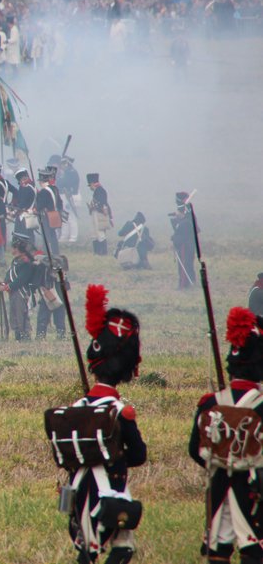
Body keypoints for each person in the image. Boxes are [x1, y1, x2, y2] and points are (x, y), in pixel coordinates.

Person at [68, 285, 146, 564]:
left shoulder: (75, 409)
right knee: (122, 548)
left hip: (77, 492)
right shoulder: (121, 413)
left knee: (86, 551)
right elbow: (138, 456)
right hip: (111, 492)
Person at [191, 308, 263, 564]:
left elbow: (194, 449)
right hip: (254, 489)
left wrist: (220, 464)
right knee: (253, 549)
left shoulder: (211, 402)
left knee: (218, 551)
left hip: (218, 485)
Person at [0, 233, 35, 342]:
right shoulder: (16, 260)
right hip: (14, 292)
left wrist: (7, 286)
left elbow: (21, 280)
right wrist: (4, 283)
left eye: (13, 247)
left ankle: (25, 336)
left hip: (21, 292)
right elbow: (10, 274)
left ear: (17, 248)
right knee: (14, 314)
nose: (11, 249)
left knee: (21, 315)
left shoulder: (26, 262)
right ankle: (18, 336)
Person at [170, 192, 196, 290]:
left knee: (184, 264)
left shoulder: (186, 215)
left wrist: (175, 238)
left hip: (185, 244)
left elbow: (183, 231)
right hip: (187, 242)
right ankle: (190, 281)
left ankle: (183, 284)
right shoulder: (187, 212)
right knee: (188, 263)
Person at [87, 173, 112, 256]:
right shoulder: (98, 190)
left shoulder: (100, 190)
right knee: (95, 233)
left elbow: (102, 203)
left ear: (92, 184)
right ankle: (97, 252)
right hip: (95, 214)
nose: (90, 187)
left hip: (99, 214)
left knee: (100, 233)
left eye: (90, 185)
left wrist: (93, 206)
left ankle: (103, 252)